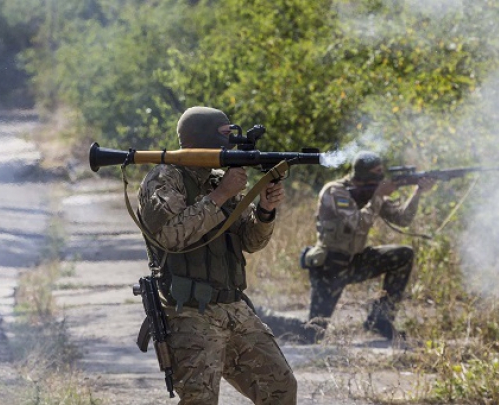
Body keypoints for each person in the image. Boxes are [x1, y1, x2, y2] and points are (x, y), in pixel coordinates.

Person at [137, 106, 297, 404]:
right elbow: (170, 237)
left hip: (232, 306)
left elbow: (250, 241)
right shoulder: (163, 179)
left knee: (280, 389)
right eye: (225, 135)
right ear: (203, 136)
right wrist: (220, 195)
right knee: (200, 400)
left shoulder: (218, 179)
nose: (231, 142)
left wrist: (265, 210)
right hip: (188, 312)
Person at [302, 151, 434, 343]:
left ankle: (380, 321)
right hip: (331, 265)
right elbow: (355, 223)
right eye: (375, 172)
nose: (380, 176)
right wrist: (379, 197)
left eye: (381, 172)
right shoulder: (335, 191)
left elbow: (403, 219)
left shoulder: (372, 192)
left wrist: (418, 192)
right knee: (314, 332)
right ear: (362, 173)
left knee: (403, 254)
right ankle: (274, 324)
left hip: (356, 261)